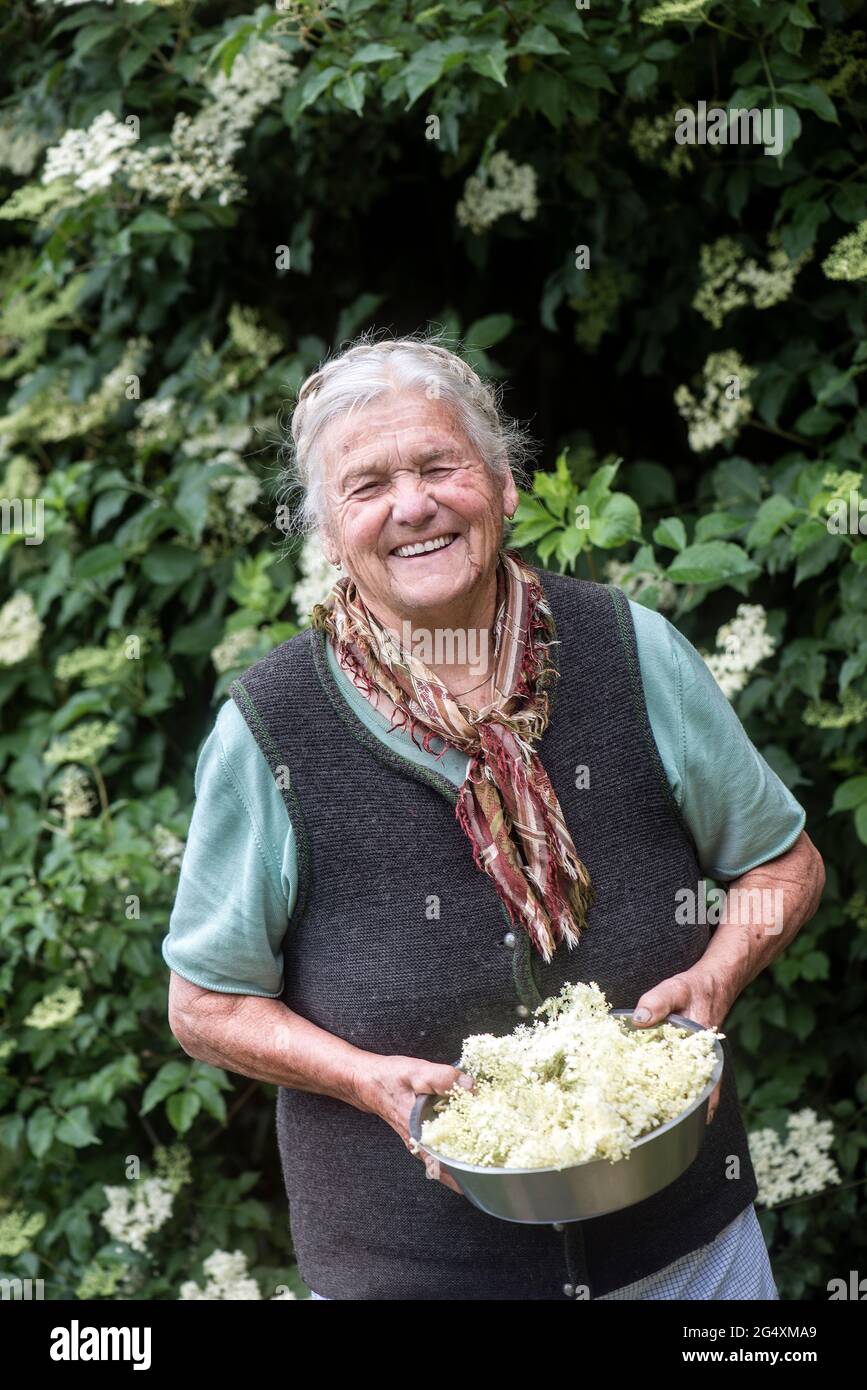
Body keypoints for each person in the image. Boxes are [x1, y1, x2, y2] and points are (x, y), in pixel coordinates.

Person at [164, 334, 825, 1300]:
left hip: (687, 1258)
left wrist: (718, 975)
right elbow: (207, 1006)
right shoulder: (272, 731)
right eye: (367, 486)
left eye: (440, 466)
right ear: (328, 531)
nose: (413, 506)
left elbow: (783, 868)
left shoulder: (627, 648)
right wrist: (361, 1078)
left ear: (505, 485)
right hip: (410, 1278)